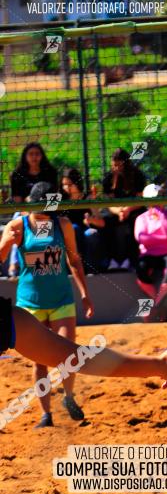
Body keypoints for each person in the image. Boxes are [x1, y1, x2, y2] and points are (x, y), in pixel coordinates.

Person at [0, 182, 94, 428]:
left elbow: (74, 260)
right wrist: (7, 243)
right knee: (39, 361)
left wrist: (85, 293)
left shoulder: (61, 225)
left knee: (69, 354)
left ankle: (69, 397)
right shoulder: (18, 226)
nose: (47, 213)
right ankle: (46, 414)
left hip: (61, 298)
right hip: (31, 302)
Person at [0, 296, 167, 392]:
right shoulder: (14, 319)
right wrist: (160, 366)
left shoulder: (12, 319)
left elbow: (75, 357)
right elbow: (76, 358)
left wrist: (160, 366)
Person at [8, 143, 58, 278]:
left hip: (47, 210)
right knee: (17, 225)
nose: (34, 157)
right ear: (25, 157)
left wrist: (43, 214)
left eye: (37, 154)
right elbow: (18, 203)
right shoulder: (17, 174)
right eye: (31, 154)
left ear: (42, 156)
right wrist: (30, 215)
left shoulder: (51, 172)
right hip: (25, 211)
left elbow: (54, 199)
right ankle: (15, 264)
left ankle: (45, 265)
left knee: (45, 226)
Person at [134, 184, 167, 321]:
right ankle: (158, 305)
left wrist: (161, 216)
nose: (156, 202)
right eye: (154, 199)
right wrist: (163, 238)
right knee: (141, 270)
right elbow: (141, 238)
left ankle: (154, 307)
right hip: (148, 254)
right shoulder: (141, 218)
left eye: (160, 197)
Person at [102, 148, 146, 270]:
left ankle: (133, 259)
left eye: (119, 165)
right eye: (113, 165)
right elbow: (109, 203)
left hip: (134, 209)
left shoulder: (138, 176)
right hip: (116, 210)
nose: (116, 168)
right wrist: (119, 211)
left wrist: (127, 210)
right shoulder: (108, 178)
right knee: (106, 221)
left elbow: (141, 200)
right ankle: (112, 259)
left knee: (136, 221)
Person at [60, 167, 104, 273]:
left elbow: (102, 223)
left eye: (69, 184)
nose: (66, 187)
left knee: (91, 234)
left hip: (85, 231)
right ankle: (73, 268)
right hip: (68, 232)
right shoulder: (60, 199)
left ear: (77, 183)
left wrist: (91, 220)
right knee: (74, 228)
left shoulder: (87, 198)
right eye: (64, 184)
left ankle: (90, 270)